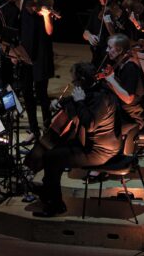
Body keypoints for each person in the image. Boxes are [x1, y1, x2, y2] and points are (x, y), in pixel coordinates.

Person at [32, 61, 121, 217]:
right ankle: (49, 190)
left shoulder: (102, 97)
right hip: (90, 144)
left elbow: (90, 124)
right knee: (54, 149)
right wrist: (59, 102)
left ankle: (56, 205)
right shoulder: (92, 88)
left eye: (74, 81)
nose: (73, 84)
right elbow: (74, 99)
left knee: (51, 157)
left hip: (100, 150)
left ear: (82, 80)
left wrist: (79, 101)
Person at [16, 0, 56, 136]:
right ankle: (33, 128)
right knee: (26, 92)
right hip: (25, 52)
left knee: (41, 93)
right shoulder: (24, 0)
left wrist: (46, 15)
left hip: (41, 53)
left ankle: (48, 127)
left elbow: (49, 32)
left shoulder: (47, 1)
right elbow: (20, 27)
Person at [99, 33, 144, 153]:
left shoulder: (130, 67)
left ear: (120, 50)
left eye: (110, 47)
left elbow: (128, 99)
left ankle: (104, 157)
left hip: (131, 117)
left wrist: (111, 80)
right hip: (122, 112)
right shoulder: (122, 63)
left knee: (98, 126)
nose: (107, 50)